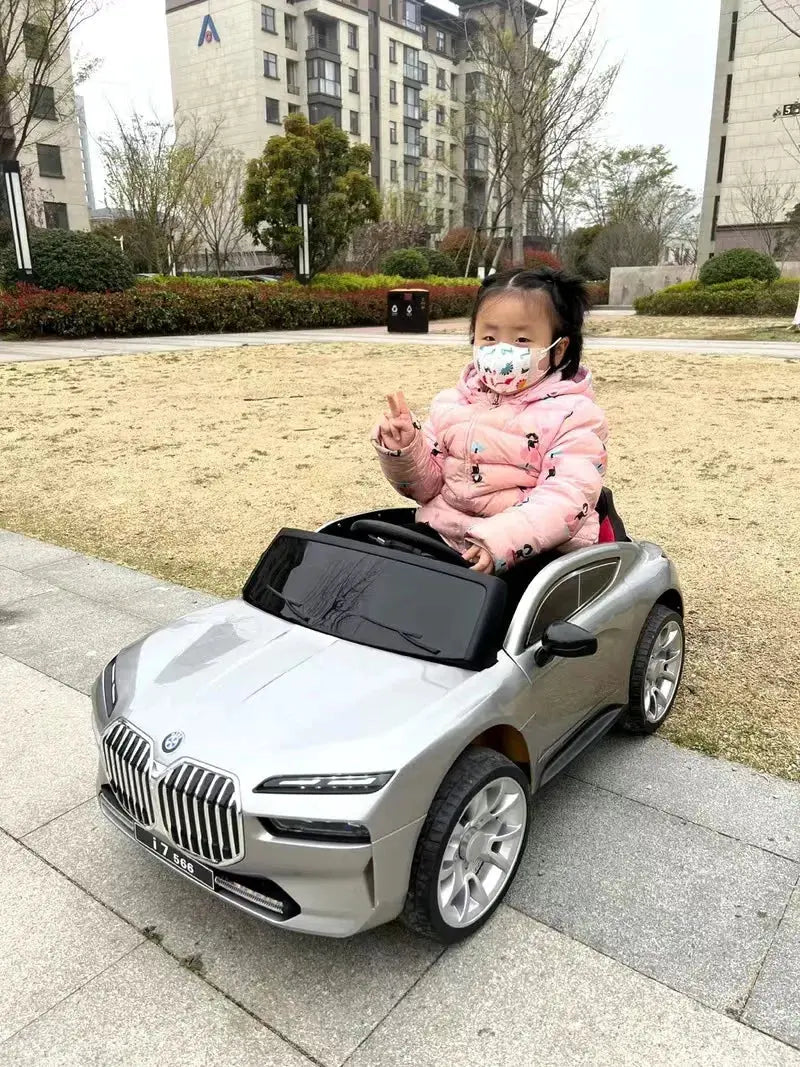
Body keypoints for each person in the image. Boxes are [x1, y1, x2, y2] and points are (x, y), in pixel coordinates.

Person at [371, 267, 609, 607]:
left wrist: (502, 540)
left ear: (558, 349)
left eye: (522, 340)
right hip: (445, 537)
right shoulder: (449, 404)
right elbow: (425, 489)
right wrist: (404, 449)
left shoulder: (573, 415)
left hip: (530, 550)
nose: (502, 351)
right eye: (489, 338)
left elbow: (567, 497)